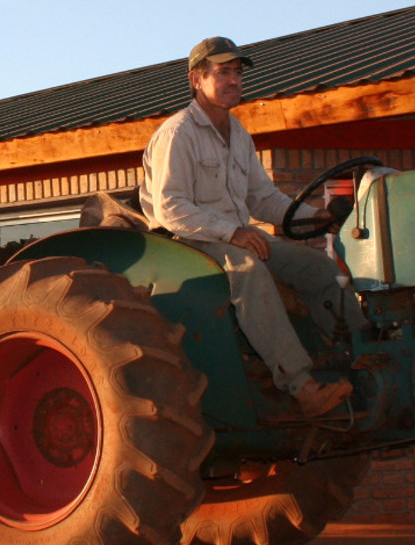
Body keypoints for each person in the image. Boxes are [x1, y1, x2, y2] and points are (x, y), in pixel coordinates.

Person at [138, 36, 369, 418]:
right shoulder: (177, 133)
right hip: (187, 240)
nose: (234, 81)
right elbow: (170, 207)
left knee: (319, 268)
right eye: (223, 72)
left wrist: (314, 215)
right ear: (197, 79)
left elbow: (263, 199)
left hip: (236, 236)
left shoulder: (238, 133)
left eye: (238, 73)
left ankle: (366, 358)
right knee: (249, 270)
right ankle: (302, 385)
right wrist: (232, 233)